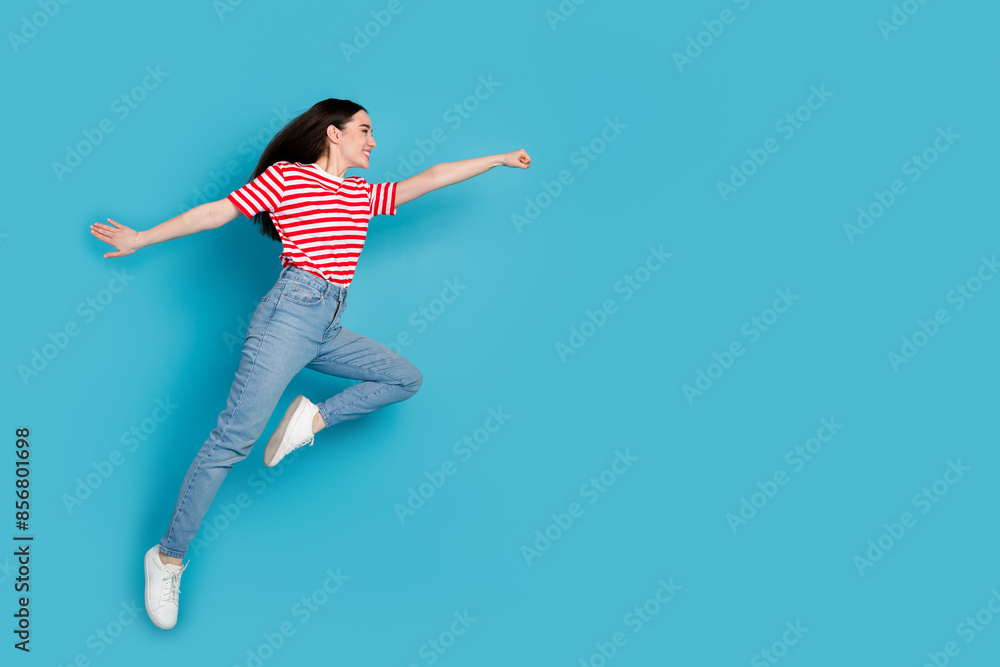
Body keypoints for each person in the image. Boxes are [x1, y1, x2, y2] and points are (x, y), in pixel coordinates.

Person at [89, 98, 531, 630]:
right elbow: (217, 212)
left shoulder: (361, 194)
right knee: (232, 441)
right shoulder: (288, 178)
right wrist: (141, 238)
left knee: (403, 377)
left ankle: (312, 419)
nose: (372, 141)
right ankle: (168, 556)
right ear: (333, 133)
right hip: (288, 316)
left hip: (327, 322)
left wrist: (498, 158)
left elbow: (431, 178)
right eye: (364, 130)